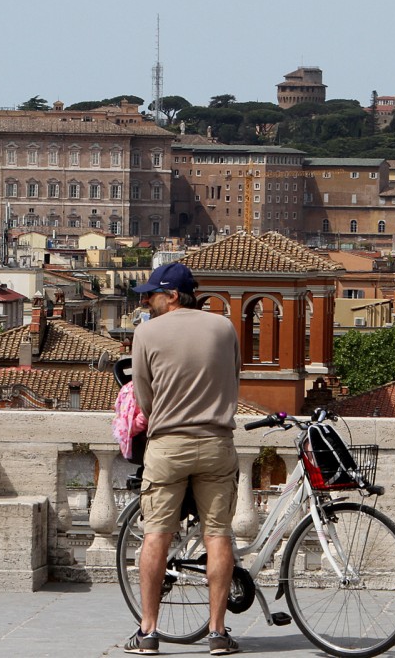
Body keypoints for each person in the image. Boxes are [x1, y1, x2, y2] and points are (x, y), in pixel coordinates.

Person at [125, 262, 242, 656]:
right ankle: (217, 633)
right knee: (218, 535)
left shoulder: (146, 332)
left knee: (156, 535)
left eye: (151, 295)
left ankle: (148, 632)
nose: (146, 302)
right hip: (216, 442)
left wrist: (166, 416)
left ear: (173, 295)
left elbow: (143, 394)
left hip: (168, 444)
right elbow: (234, 378)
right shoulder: (224, 328)